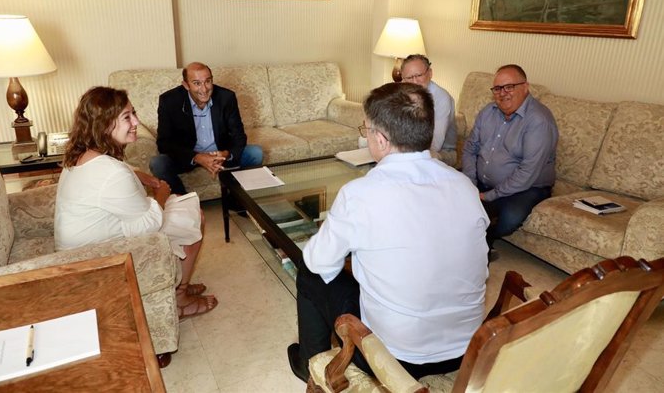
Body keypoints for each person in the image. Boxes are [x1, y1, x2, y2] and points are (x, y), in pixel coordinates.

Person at [287, 82, 489, 382]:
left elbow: (320, 263)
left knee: (309, 267)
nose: (366, 135)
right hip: (465, 348)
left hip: (396, 357)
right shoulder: (464, 186)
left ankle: (311, 364)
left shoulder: (360, 193)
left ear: (380, 139)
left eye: (365, 129)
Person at [54, 86, 218, 322]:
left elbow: (109, 175)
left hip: (82, 246)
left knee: (182, 209)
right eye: (127, 117)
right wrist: (161, 192)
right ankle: (180, 299)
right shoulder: (111, 172)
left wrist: (140, 175)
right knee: (194, 216)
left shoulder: (80, 154)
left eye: (134, 113)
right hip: (98, 255)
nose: (136, 122)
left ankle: (179, 284)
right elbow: (149, 223)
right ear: (105, 124)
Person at [462, 64, 558, 253]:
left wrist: (487, 196)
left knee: (509, 217)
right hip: (481, 182)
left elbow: (527, 172)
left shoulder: (538, 120)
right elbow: (470, 148)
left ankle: (480, 249)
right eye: (497, 88)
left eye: (509, 87)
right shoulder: (488, 112)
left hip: (526, 187)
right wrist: (470, 184)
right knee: (447, 188)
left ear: (525, 86)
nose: (503, 93)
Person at [149, 62, 263, 195]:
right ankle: (186, 202)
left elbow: (239, 136)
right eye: (197, 83)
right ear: (186, 85)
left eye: (208, 81)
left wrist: (225, 154)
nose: (204, 89)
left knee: (255, 153)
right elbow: (164, 143)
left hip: (219, 153)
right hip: (189, 155)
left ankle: (238, 199)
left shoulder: (226, 97)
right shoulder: (169, 101)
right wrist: (197, 157)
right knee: (158, 163)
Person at [400, 54, 457, 165]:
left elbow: (435, 144)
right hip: (409, 148)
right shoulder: (402, 94)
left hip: (441, 152)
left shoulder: (442, 98)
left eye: (419, 75)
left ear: (430, 73)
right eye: (409, 78)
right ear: (403, 80)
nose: (415, 81)